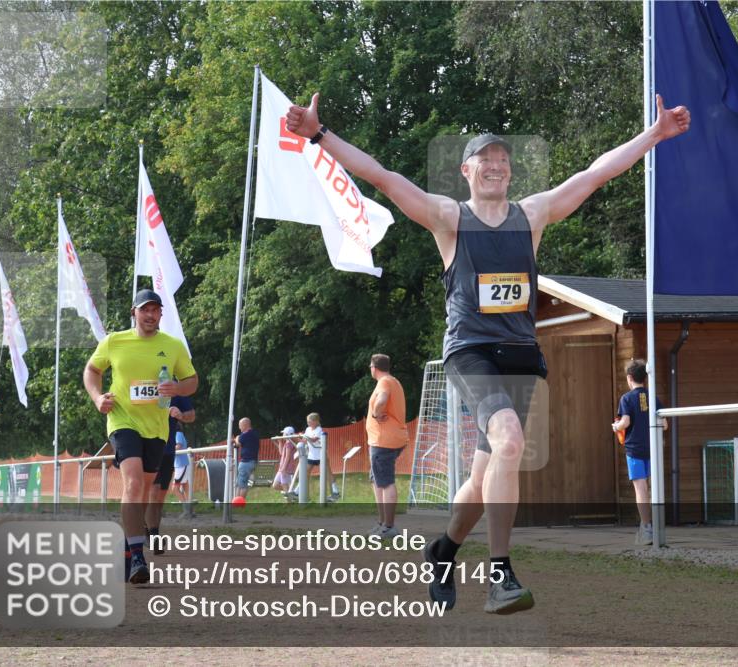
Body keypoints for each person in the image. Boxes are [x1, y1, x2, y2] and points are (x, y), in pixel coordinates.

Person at [286, 89, 690, 614]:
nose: (497, 166)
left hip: (520, 353)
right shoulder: (448, 218)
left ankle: (444, 550)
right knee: (511, 440)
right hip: (471, 352)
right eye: (486, 161)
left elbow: (596, 174)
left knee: (481, 479)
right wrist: (319, 135)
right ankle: (499, 574)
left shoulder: (533, 214)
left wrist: (654, 135)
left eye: (504, 160)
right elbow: (382, 177)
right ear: (467, 170)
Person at [84, 289, 197, 584]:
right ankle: (137, 557)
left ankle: (127, 544)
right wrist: (97, 398)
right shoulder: (114, 341)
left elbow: (192, 380)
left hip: (157, 428)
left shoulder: (172, 346)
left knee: (145, 491)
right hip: (122, 420)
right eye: (144, 310)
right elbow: (92, 370)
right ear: (133, 312)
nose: (150, 315)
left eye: (155, 310)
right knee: (133, 483)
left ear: (161, 314)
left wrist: (177, 388)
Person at [612, 359, 668, 546]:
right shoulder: (653, 397)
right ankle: (657, 526)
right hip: (652, 448)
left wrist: (616, 426)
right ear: (644, 378)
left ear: (629, 378)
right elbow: (665, 424)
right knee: (654, 488)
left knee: (641, 489)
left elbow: (625, 422)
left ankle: (647, 528)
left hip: (634, 449)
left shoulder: (626, 398)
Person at [365, 354, 409, 538]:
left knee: (385, 482)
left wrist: (376, 414)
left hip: (384, 440)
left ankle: (389, 527)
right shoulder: (394, 381)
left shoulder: (384, 382)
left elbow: (382, 400)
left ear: (374, 367)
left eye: (370, 366)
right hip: (389, 438)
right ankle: (383, 524)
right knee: (377, 480)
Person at [145, 395, 195, 554]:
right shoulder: (144, 382)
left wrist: (180, 415)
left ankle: (149, 530)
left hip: (167, 451)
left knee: (160, 497)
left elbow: (191, 415)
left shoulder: (177, 390)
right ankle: (153, 537)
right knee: (153, 493)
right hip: (148, 447)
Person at [288, 413, 339, 499]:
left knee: (328, 473)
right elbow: (304, 441)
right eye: (308, 422)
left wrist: (305, 436)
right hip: (312, 455)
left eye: (310, 422)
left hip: (321, 455)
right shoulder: (308, 429)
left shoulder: (319, 430)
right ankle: (297, 492)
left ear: (316, 421)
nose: (308, 424)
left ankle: (335, 491)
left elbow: (314, 439)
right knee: (304, 473)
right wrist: (297, 437)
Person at [233, 417, 260, 499]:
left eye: (240, 425)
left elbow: (238, 443)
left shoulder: (245, 434)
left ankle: (239, 504)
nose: (239, 428)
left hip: (245, 462)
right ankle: (237, 502)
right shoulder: (255, 434)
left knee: (242, 485)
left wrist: (236, 438)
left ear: (245, 425)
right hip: (253, 462)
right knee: (241, 483)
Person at [171, 429, 193, 505]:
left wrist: (167, 450)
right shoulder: (178, 434)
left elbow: (178, 446)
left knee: (174, 489)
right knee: (184, 485)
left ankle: (186, 509)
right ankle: (188, 508)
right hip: (181, 464)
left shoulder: (177, 433)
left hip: (181, 465)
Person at [272, 426, 296, 492]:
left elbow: (287, 457)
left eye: (284, 433)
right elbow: (281, 453)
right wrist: (279, 442)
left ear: (287, 434)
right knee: (275, 485)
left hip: (286, 468)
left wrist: (284, 468)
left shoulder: (289, 444)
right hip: (282, 467)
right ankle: (291, 491)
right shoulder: (287, 443)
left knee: (284, 485)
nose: (282, 435)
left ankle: (289, 497)